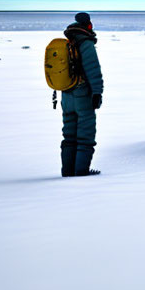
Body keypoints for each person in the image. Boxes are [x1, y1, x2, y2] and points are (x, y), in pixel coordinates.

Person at [61, 12, 104, 176]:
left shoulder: (68, 41)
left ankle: (67, 172)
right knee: (86, 135)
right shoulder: (85, 43)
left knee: (69, 135)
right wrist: (97, 93)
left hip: (66, 95)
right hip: (82, 94)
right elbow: (93, 70)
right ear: (88, 25)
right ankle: (81, 172)